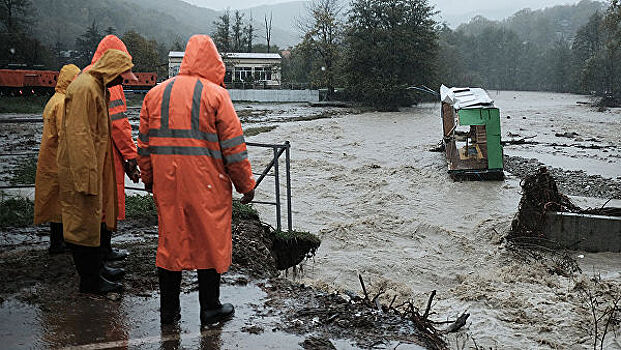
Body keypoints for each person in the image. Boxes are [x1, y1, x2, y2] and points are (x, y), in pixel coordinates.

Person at [137, 35, 256, 325]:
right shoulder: (216, 96)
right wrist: (246, 185)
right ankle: (210, 308)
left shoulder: (154, 95)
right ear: (214, 62)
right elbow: (234, 149)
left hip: (168, 184)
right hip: (207, 186)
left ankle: (169, 312)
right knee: (209, 241)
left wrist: (150, 179)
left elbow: (144, 146)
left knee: (170, 243)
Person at [57, 49, 138, 294]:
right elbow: (79, 136)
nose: (122, 82)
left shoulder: (95, 86)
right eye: (121, 77)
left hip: (92, 168)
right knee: (83, 226)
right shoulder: (85, 89)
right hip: (83, 172)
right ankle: (90, 281)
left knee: (92, 223)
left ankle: (96, 271)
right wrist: (86, 179)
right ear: (111, 71)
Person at [84, 35, 140, 262]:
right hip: (107, 153)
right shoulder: (109, 83)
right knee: (107, 202)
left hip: (93, 151)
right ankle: (103, 252)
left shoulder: (87, 75)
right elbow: (119, 123)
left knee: (96, 203)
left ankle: (99, 253)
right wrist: (131, 156)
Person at [34, 64, 80, 254]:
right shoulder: (63, 103)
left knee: (55, 203)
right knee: (62, 203)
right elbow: (65, 134)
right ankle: (58, 243)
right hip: (58, 162)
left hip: (50, 159)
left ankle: (58, 242)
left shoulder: (54, 99)